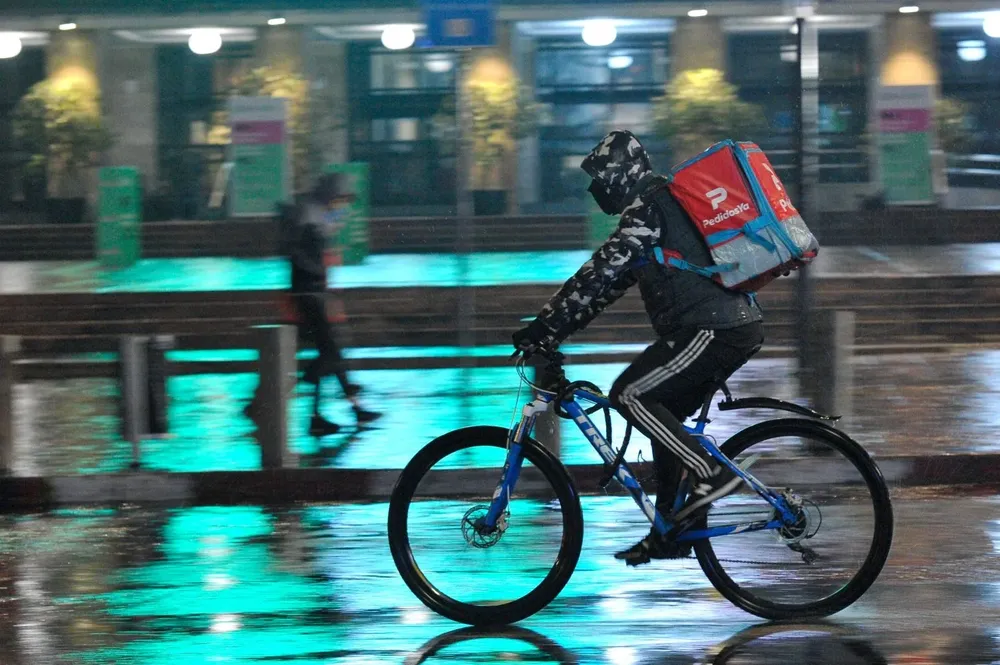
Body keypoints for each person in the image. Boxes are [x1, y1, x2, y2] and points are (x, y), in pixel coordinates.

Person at [512, 130, 764, 566]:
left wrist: (544, 326)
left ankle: (710, 472)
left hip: (714, 329)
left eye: (599, 180)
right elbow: (604, 289)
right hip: (716, 327)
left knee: (630, 394)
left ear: (620, 175)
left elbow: (596, 274)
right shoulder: (658, 213)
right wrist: (557, 330)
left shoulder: (651, 212)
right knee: (663, 415)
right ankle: (673, 531)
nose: (595, 191)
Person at [247, 173, 381, 436]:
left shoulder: (318, 215)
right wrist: (318, 274)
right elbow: (298, 254)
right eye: (342, 199)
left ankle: (330, 412)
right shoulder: (311, 216)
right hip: (309, 296)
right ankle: (349, 407)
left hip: (315, 293)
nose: (343, 206)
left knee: (329, 351)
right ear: (332, 196)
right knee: (331, 351)